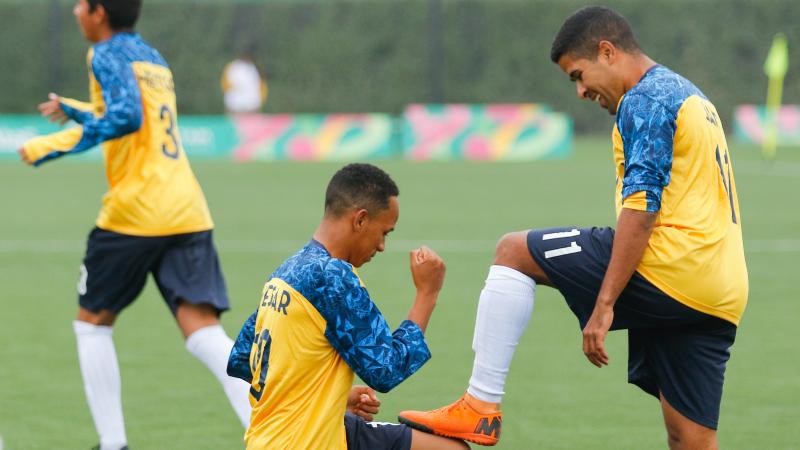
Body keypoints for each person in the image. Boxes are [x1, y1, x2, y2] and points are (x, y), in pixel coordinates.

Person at [399, 6, 747, 449]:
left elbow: (641, 210)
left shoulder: (644, 100)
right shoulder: (690, 95)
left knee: (513, 252)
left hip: (673, 267)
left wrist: (605, 304)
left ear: (607, 51)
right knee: (691, 440)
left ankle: (480, 407)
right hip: (720, 290)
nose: (581, 91)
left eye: (579, 75)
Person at [19, 1, 251, 449]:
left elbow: (125, 118)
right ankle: (270, 436)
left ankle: (113, 444)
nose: (74, 11)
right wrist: (72, 113)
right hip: (186, 207)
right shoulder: (152, 58)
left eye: (81, 5)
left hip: (136, 212)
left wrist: (57, 138)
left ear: (99, 13)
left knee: (92, 323)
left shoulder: (103, 54)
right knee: (204, 331)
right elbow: (127, 113)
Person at [227, 163, 468, 450]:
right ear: (361, 220)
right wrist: (427, 294)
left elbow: (243, 360)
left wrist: (332, 396)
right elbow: (386, 369)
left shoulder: (285, 273)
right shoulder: (332, 276)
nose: (382, 246)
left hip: (272, 439)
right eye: (385, 232)